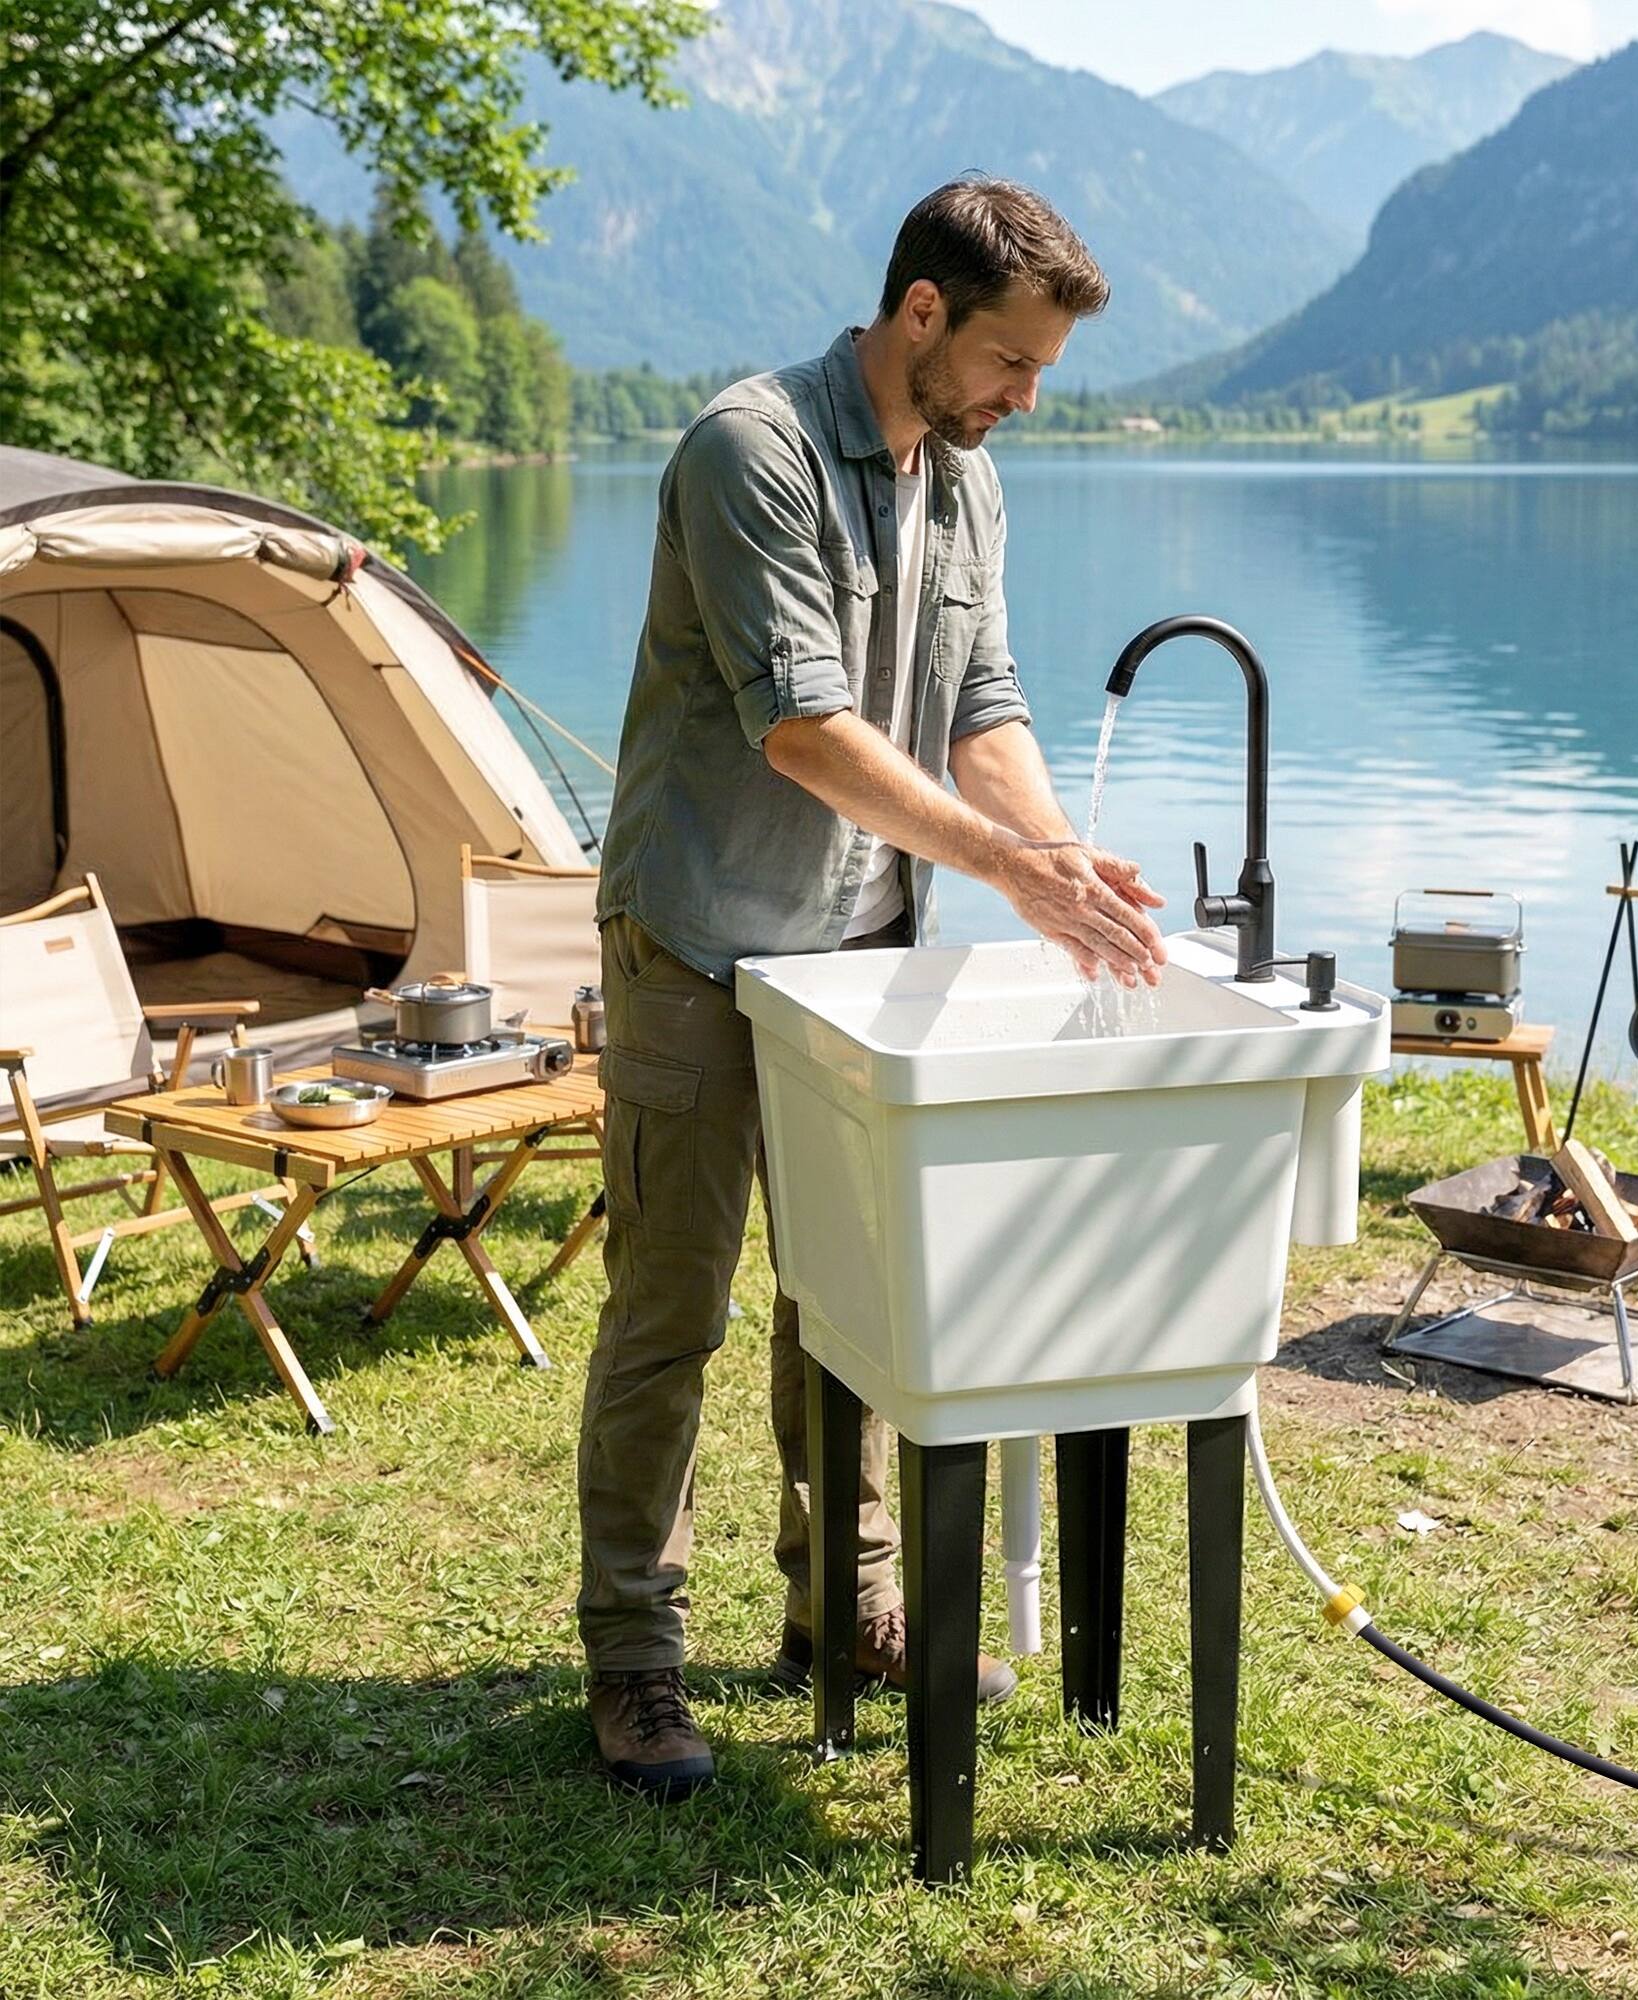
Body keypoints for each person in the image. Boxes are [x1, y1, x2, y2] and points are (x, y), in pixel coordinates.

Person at [580, 177, 1168, 1798]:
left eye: (1041, 372)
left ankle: (843, 1613)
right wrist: (1007, 868)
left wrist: (1062, 860)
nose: (1027, 399)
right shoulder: (747, 451)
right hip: (699, 941)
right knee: (671, 1314)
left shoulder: (967, 483)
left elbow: (981, 698)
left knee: (845, 1308)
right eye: (1013, 362)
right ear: (922, 314)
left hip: (865, 956)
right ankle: (633, 1658)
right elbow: (806, 728)